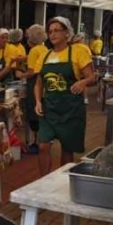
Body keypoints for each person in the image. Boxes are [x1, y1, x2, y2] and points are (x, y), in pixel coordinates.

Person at [34, 17, 95, 176]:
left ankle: (63, 180)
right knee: (43, 146)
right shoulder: (44, 56)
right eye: (50, 31)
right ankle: (44, 181)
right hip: (50, 108)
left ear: (67, 33)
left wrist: (82, 83)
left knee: (67, 149)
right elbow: (39, 83)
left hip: (71, 109)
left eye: (57, 30)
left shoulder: (78, 52)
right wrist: (38, 101)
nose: (52, 34)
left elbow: (91, 77)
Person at [16, 24, 48, 154]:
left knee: (34, 114)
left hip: (34, 83)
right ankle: (44, 140)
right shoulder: (44, 48)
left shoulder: (34, 51)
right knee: (42, 113)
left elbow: (32, 71)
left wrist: (21, 75)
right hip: (44, 83)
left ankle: (35, 142)